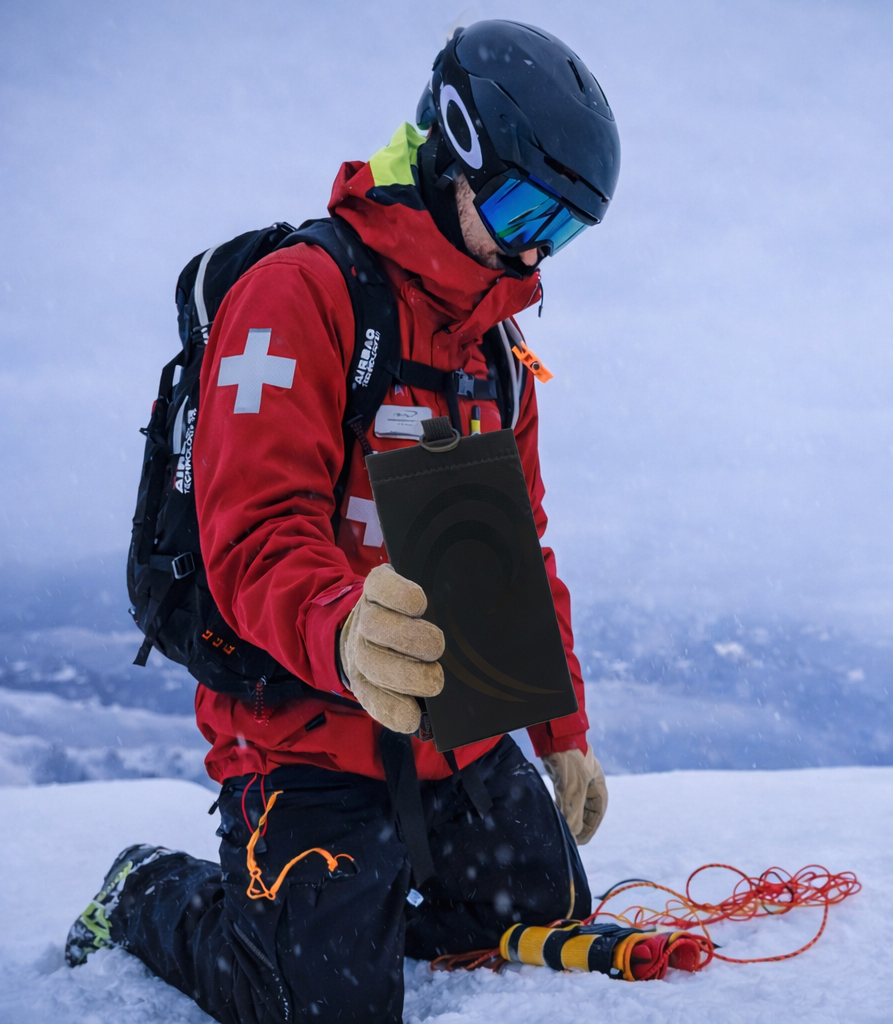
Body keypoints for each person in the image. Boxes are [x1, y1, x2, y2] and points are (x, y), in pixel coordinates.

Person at [64, 20, 619, 1023]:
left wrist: (562, 728)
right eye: (522, 207)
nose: (537, 246)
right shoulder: (302, 295)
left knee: (547, 914)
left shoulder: (495, 356)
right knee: (320, 1004)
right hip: (302, 734)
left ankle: (362, 900)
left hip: (451, 728)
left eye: (563, 228)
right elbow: (255, 535)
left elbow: (518, 553)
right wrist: (346, 630)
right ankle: (148, 892)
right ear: (454, 152)